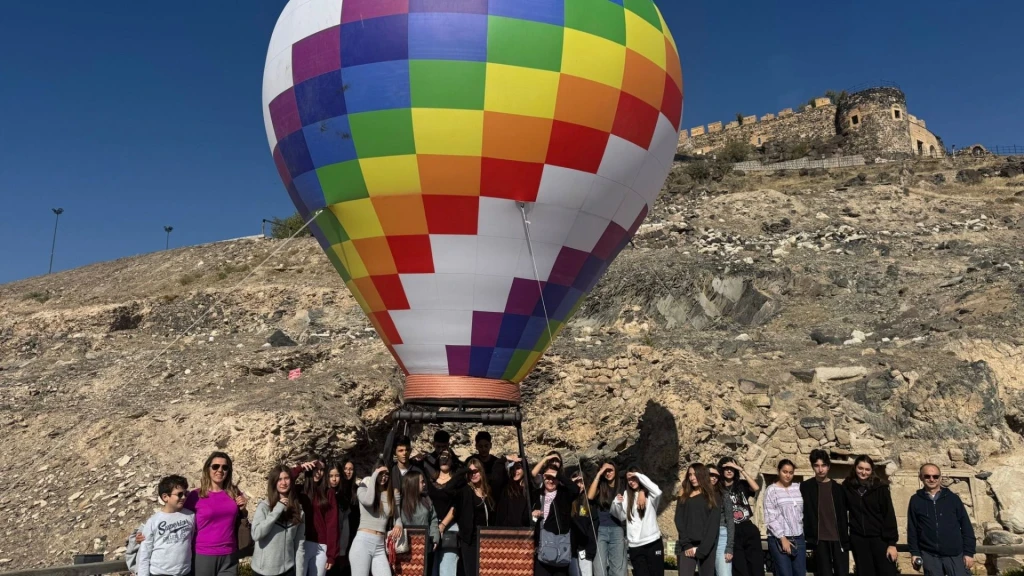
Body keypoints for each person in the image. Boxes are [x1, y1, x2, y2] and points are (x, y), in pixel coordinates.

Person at [185, 452, 248, 576]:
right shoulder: (195, 495)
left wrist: (244, 509)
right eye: (215, 466)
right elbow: (180, 519)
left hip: (229, 554)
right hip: (203, 554)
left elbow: (241, 518)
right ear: (208, 468)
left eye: (225, 467)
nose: (220, 470)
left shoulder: (234, 492)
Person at [907, 464, 976, 576]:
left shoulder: (953, 499)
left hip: (954, 554)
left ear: (940, 477)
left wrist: (968, 552)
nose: (931, 479)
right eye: (927, 476)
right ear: (920, 477)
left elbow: (966, 527)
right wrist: (915, 553)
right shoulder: (915, 500)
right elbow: (912, 529)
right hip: (930, 555)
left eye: (935, 476)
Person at [844, 455, 898, 576]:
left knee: (886, 572)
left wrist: (891, 543)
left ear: (871, 470)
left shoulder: (880, 488)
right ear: (855, 468)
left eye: (867, 469)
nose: (863, 472)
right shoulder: (847, 487)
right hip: (859, 539)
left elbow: (889, 515)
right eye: (860, 468)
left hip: (879, 539)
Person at [800, 450, 849, 576]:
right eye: (816, 465)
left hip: (839, 540)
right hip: (819, 539)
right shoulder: (805, 487)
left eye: (823, 465)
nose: (820, 469)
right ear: (812, 466)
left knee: (842, 573)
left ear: (828, 466)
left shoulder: (839, 489)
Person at [251, 465, 306, 576]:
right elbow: (256, 534)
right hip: (262, 572)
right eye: (279, 479)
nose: (283, 482)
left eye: (286, 478)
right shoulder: (264, 507)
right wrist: (278, 509)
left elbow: (299, 544)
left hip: (287, 570)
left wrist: (300, 572)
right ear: (274, 483)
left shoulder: (299, 510)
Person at [611, 467, 663, 576]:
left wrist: (642, 489)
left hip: (652, 542)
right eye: (629, 479)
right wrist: (616, 504)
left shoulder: (651, 495)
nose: (631, 481)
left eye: (634, 477)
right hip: (635, 546)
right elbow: (620, 516)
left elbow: (658, 492)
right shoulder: (626, 495)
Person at [138, 475, 195, 576]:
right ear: (165, 497)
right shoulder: (153, 521)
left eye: (186, 493)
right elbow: (145, 553)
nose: (184, 497)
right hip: (159, 573)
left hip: (185, 573)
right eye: (180, 494)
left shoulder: (190, 515)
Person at [674, 464, 725, 576]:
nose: (692, 478)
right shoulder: (683, 493)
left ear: (702, 475)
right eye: (690, 474)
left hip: (706, 547)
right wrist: (687, 545)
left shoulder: (713, 495)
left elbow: (713, 525)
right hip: (687, 546)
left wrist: (702, 550)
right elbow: (678, 519)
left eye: (695, 474)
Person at [532, 462, 581, 576]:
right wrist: (533, 514)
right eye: (548, 478)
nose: (551, 481)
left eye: (553, 478)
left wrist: (558, 474)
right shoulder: (536, 495)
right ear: (543, 478)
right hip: (542, 547)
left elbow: (576, 490)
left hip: (561, 546)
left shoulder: (564, 494)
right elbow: (526, 516)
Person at [292, 459, 339, 576]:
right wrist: (300, 467)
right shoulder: (299, 490)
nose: (318, 472)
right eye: (315, 469)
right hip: (300, 544)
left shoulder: (329, 493)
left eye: (322, 469)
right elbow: (282, 480)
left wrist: (331, 555)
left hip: (321, 546)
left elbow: (332, 524)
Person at [352, 465, 402, 576]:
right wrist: (374, 475)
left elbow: (397, 517)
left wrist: (398, 525)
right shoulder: (362, 488)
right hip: (362, 543)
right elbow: (369, 501)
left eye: (386, 475)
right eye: (380, 474)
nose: (383, 477)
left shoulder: (391, 494)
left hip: (379, 545)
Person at [718, 457, 763, 576]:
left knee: (756, 565)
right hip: (732, 530)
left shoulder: (742, 484)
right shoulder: (719, 489)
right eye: (726, 468)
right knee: (740, 568)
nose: (729, 471)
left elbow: (756, 488)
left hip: (747, 526)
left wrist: (741, 469)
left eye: (732, 468)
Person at [454, 457, 497, 576]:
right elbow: (450, 487)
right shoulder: (465, 490)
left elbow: (500, 477)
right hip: (470, 539)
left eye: (476, 471)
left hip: (486, 539)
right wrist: (464, 471)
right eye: (470, 472)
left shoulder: (488, 490)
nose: (474, 474)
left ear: (482, 472)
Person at [763, 459, 805, 576]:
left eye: (791, 472)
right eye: (784, 472)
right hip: (779, 539)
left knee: (800, 573)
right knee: (785, 573)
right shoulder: (771, 490)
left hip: (798, 537)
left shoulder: (798, 488)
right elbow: (770, 516)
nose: (788, 475)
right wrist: (782, 538)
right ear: (779, 471)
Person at [427, 450, 465, 576]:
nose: (444, 459)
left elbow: (457, 505)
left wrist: (442, 525)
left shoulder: (457, 480)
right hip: (432, 527)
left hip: (450, 527)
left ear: (452, 460)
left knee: (447, 570)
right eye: (441, 457)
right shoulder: (430, 480)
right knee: (434, 570)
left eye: (447, 457)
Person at [587, 462, 627, 576]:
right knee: (599, 569)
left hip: (617, 529)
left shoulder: (623, 485)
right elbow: (589, 496)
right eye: (605, 471)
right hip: (600, 530)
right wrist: (599, 474)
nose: (608, 473)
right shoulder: (600, 485)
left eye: (610, 470)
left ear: (616, 470)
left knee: (618, 570)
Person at [398, 469, 440, 550]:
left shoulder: (426, 500)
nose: (424, 484)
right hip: (404, 545)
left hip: (424, 545)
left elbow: (433, 520)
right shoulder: (400, 503)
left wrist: (434, 539)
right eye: (422, 482)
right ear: (413, 484)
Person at [328, 460, 355, 576]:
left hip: (338, 550)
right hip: (323, 548)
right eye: (331, 476)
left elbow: (345, 527)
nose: (334, 479)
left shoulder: (342, 497)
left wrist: (343, 551)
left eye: (337, 476)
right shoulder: (322, 495)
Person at [708, 465, 736, 576]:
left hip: (722, 536)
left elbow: (730, 520)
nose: (714, 478)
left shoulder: (723, 494)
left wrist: (729, 547)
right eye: (711, 475)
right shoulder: (698, 495)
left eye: (716, 476)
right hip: (704, 538)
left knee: (724, 573)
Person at [570, 472, 598, 576]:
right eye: (576, 483)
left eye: (581, 482)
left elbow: (592, 526)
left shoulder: (588, 502)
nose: (579, 485)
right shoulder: (567, 500)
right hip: (571, 549)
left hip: (585, 548)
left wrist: (590, 549)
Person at [496, 459, 531, 528]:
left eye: (518, 468)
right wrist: (505, 458)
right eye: (512, 468)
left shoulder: (529, 489)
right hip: (507, 531)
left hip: (524, 533)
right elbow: (496, 475)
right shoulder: (507, 488)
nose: (515, 471)